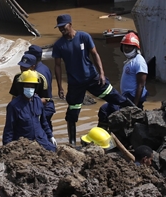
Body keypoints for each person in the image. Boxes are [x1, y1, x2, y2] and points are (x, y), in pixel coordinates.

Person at [53, 14, 125, 146]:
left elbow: (95, 54)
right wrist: (60, 87)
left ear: (70, 24)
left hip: (93, 78)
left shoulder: (84, 37)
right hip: (75, 84)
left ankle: (137, 116)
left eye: (63, 26)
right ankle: (72, 142)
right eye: (59, 28)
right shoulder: (59, 45)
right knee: (72, 114)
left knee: (117, 98)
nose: (61, 29)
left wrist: (102, 74)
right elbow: (57, 66)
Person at [98, 32, 148, 126]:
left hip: (132, 99)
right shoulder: (130, 60)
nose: (126, 48)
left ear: (135, 47)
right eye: (125, 46)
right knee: (105, 109)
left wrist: (134, 107)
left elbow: (141, 85)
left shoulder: (139, 61)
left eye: (129, 46)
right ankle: (102, 134)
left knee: (108, 109)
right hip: (126, 97)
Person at [2, 70, 56, 151]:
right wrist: (7, 147)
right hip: (24, 144)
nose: (30, 89)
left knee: (54, 151)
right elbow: (9, 129)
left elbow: (44, 122)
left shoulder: (38, 101)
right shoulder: (14, 106)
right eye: (27, 86)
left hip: (41, 140)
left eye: (32, 86)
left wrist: (50, 136)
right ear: (22, 87)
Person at [9, 53, 55, 133]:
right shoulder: (18, 77)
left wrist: (32, 103)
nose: (22, 69)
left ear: (33, 67)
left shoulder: (41, 78)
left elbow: (46, 99)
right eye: (21, 66)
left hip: (40, 107)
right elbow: (14, 96)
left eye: (25, 67)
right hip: (23, 107)